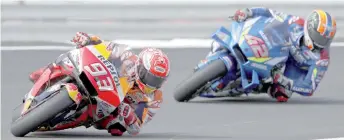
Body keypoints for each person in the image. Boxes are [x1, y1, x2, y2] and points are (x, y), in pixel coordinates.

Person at [29, 32, 171, 136]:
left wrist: (129, 115)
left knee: (117, 129)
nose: (151, 83)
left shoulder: (155, 98)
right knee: (70, 59)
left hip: (110, 109)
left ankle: (69, 121)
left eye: (157, 80)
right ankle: (47, 73)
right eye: (149, 76)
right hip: (99, 79)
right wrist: (89, 39)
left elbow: (136, 127)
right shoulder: (127, 57)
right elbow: (104, 46)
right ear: (140, 66)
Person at [205, 7, 336, 102]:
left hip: (288, 72)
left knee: (282, 94)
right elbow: (271, 13)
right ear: (309, 28)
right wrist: (249, 12)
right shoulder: (295, 23)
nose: (320, 43)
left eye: (325, 39)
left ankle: (259, 88)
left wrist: (285, 81)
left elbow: (309, 87)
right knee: (239, 35)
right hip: (277, 48)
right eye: (318, 37)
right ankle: (216, 54)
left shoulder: (322, 59)